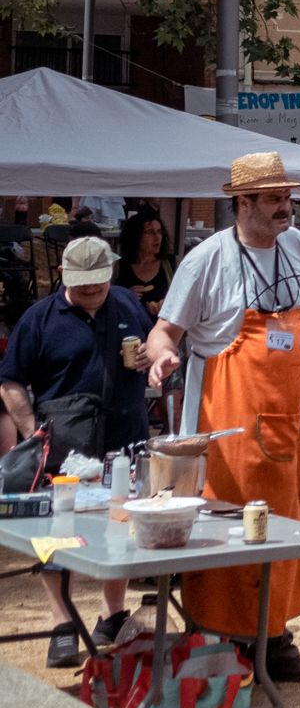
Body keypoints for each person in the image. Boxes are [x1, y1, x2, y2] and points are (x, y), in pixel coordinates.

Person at [144, 151, 300, 681]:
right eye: (272, 199)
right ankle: (225, 640)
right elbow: (165, 331)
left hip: (287, 424)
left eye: (287, 197)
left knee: (287, 529)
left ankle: (275, 638)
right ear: (240, 203)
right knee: (234, 530)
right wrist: (161, 357)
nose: (284, 208)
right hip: (227, 426)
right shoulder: (207, 260)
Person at [0, 237, 150, 665]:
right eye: (83, 284)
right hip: (63, 441)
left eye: (98, 283)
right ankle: (62, 621)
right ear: (64, 276)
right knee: (56, 534)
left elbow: (158, 345)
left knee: (121, 526)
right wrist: (33, 432)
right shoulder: (39, 319)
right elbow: (9, 381)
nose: (91, 291)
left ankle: (113, 615)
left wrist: (149, 357)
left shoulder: (126, 304)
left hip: (126, 433)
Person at [114, 208, 175, 319]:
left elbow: (188, 297)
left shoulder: (172, 264)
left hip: (164, 330)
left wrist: (169, 303)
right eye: (150, 232)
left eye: (159, 232)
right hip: (129, 331)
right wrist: (124, 296)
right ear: (135, 236)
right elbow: (105, 300)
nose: (157, 238)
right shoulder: (118, 266)